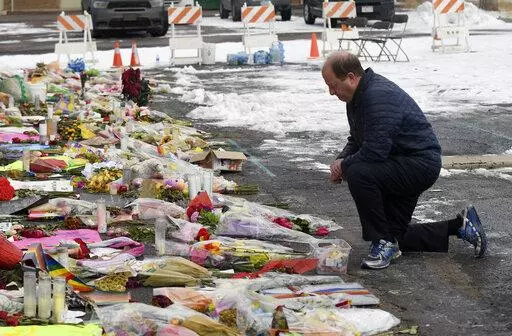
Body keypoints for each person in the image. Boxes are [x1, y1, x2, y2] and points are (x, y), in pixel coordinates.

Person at [322, 51, 487, 270]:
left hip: (417, 165)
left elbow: (375, 151)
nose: (331, 92)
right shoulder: (357, 98)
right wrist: (341, 159)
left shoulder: (376, 96)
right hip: (401, 162)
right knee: (396, 233)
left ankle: (384, 243)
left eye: (333, 85)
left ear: (351, 77)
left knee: (358, 172)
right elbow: (358, 139)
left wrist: (345, 166)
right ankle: (459, 226)